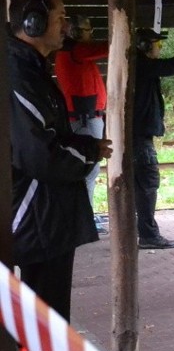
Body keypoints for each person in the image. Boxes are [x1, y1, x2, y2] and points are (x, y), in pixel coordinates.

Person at [7, 0, 112, 320]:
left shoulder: (30, 70)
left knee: (44, 322)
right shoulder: (19, 75)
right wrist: (90, 152)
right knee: (44, 324)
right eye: (60, 16)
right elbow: (42, 155)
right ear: (33, 22)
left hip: (44, 218)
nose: (65, 25)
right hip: (36, 219)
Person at [54, 14, 110, 234]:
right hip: (85, 119)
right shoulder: (75, 51)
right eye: (87, 31)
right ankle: (83, 221)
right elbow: (108, 48)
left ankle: (83, 219)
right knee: (88, 170)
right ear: (77, 32)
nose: (90, 35)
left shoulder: (72, 52)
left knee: (88, 170)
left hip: (86, 118)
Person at [133, 27, 174, 250]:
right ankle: (148, 234)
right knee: (148, 185)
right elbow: (171, 66)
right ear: (144, 46)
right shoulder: (140, 64)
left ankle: (144, 231)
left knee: (143, 185)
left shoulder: (139, 64)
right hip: (139, 138)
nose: (159, 49)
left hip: (139, 136)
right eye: (157, 44)